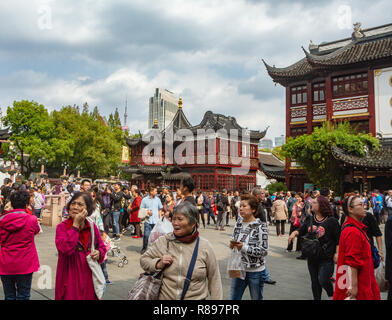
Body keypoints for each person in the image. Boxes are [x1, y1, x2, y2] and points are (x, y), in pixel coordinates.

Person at [140, 202, 223, 300]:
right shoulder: (164, 241)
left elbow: (215, 279)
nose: (175, 223)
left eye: (180, 219)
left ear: (193, 223)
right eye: (174, 218)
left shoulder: (205, 246)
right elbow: (144, 260)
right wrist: (158, 263)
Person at [55, 192, 107, 300]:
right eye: (73, 203)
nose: (75, 207)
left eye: (80, 204)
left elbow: (102, 247)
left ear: (87, 209)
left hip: (88, 274)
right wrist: (75, 226)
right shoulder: (62, 227)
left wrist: (99, 253)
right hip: (69, 275)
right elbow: (65, 249)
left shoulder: (92, 226)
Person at [288, 195, 340, 300]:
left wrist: (337, 253)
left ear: (322, 205)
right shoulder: (310, 219)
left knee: (323, 279)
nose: (312, 203)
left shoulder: (332, 221)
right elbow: (301, 230)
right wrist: (294, 233)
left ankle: (331, 292)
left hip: (326, 257)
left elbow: (339, 239)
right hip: (312, 255)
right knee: (315, 281)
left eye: (315, 202)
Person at [333, 195, 381, 300]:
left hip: (358, 280)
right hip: (359, 285)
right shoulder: (353, 231)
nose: (365, 207)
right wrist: (353, 287)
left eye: (365, 204)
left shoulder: (354, 228)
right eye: (360, 204)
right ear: (350, 209)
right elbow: (352, 261)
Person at [0, 190, 40, 300]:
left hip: (6, 262)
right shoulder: (32, 219)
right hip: (26, 263)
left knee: (9, 295)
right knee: (23, 295)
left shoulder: (2, 220)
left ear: (11, 204)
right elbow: (36, 231)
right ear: (27, 204)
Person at [229, 194, 269, 300]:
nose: (241, 208)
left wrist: (243, 247)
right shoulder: (238, 224)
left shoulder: (260, 226)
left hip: (255, 271)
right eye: (240, 206)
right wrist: (232, 245)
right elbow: (235, 241)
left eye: (244, 206)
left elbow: (264, 250)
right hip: (238, 268)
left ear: (253, 210)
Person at [139, 186, 163, 255]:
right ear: (151, 191)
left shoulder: (158, 199)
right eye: (155, 191)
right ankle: (144, 247)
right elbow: (141, 209)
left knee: (156, 236)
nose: (156, 192)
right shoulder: (144, 199)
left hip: (156, 220)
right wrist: (147, 211)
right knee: (146, 235)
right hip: (148, 220)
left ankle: (155, 249)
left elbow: (160, 209)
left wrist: (160, 218)